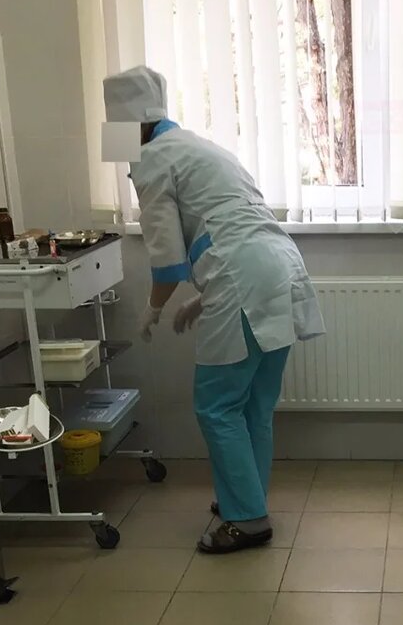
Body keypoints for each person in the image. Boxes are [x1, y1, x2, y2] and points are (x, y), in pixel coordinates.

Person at [103, 66, 325, 554]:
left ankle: (247, 519)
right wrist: (202, 299)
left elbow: (167, 261)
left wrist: (154, 308)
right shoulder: (200, 147)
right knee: (254, 406)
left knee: (217, 406)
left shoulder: (152, 159)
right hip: (279, 268)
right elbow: (234, 228)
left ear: (128, 125)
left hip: (243, 277)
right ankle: (245, 499)